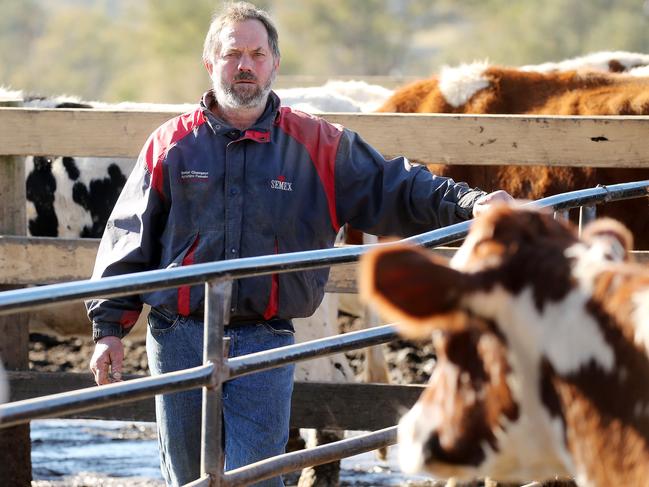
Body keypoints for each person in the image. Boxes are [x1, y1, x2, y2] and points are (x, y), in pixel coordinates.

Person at [87, 2, 513, 486]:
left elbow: (394, 184)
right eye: (232, 54)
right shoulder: (171, 144)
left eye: (257, 53)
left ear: (274, 63)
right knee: (188, 476)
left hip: (265, 339)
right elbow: (128, 239)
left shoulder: (317, 144)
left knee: (259, 476)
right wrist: (108, 328)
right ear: (210, 63)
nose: (245, 65)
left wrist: (472, 202)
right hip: (180, 334)